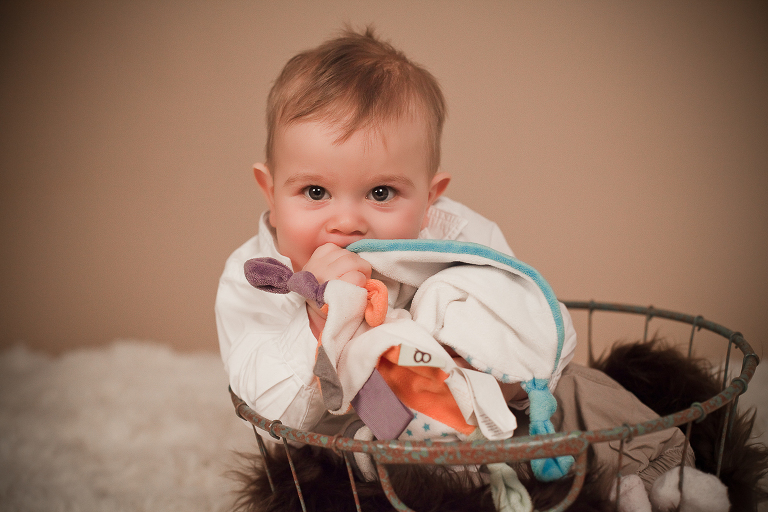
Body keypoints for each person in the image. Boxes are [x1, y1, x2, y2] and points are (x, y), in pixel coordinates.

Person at [214, 26, 564, 438]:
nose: (347, 222)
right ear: (271, 194)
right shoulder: (254, 276)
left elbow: (539, 326)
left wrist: (477, 363)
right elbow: (268, 412)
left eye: (381, 193)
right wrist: (318, 320)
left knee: (585, 400)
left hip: (466, 430)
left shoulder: (462, 242)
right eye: (315, 191)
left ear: (429, 199)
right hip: (328, 454)